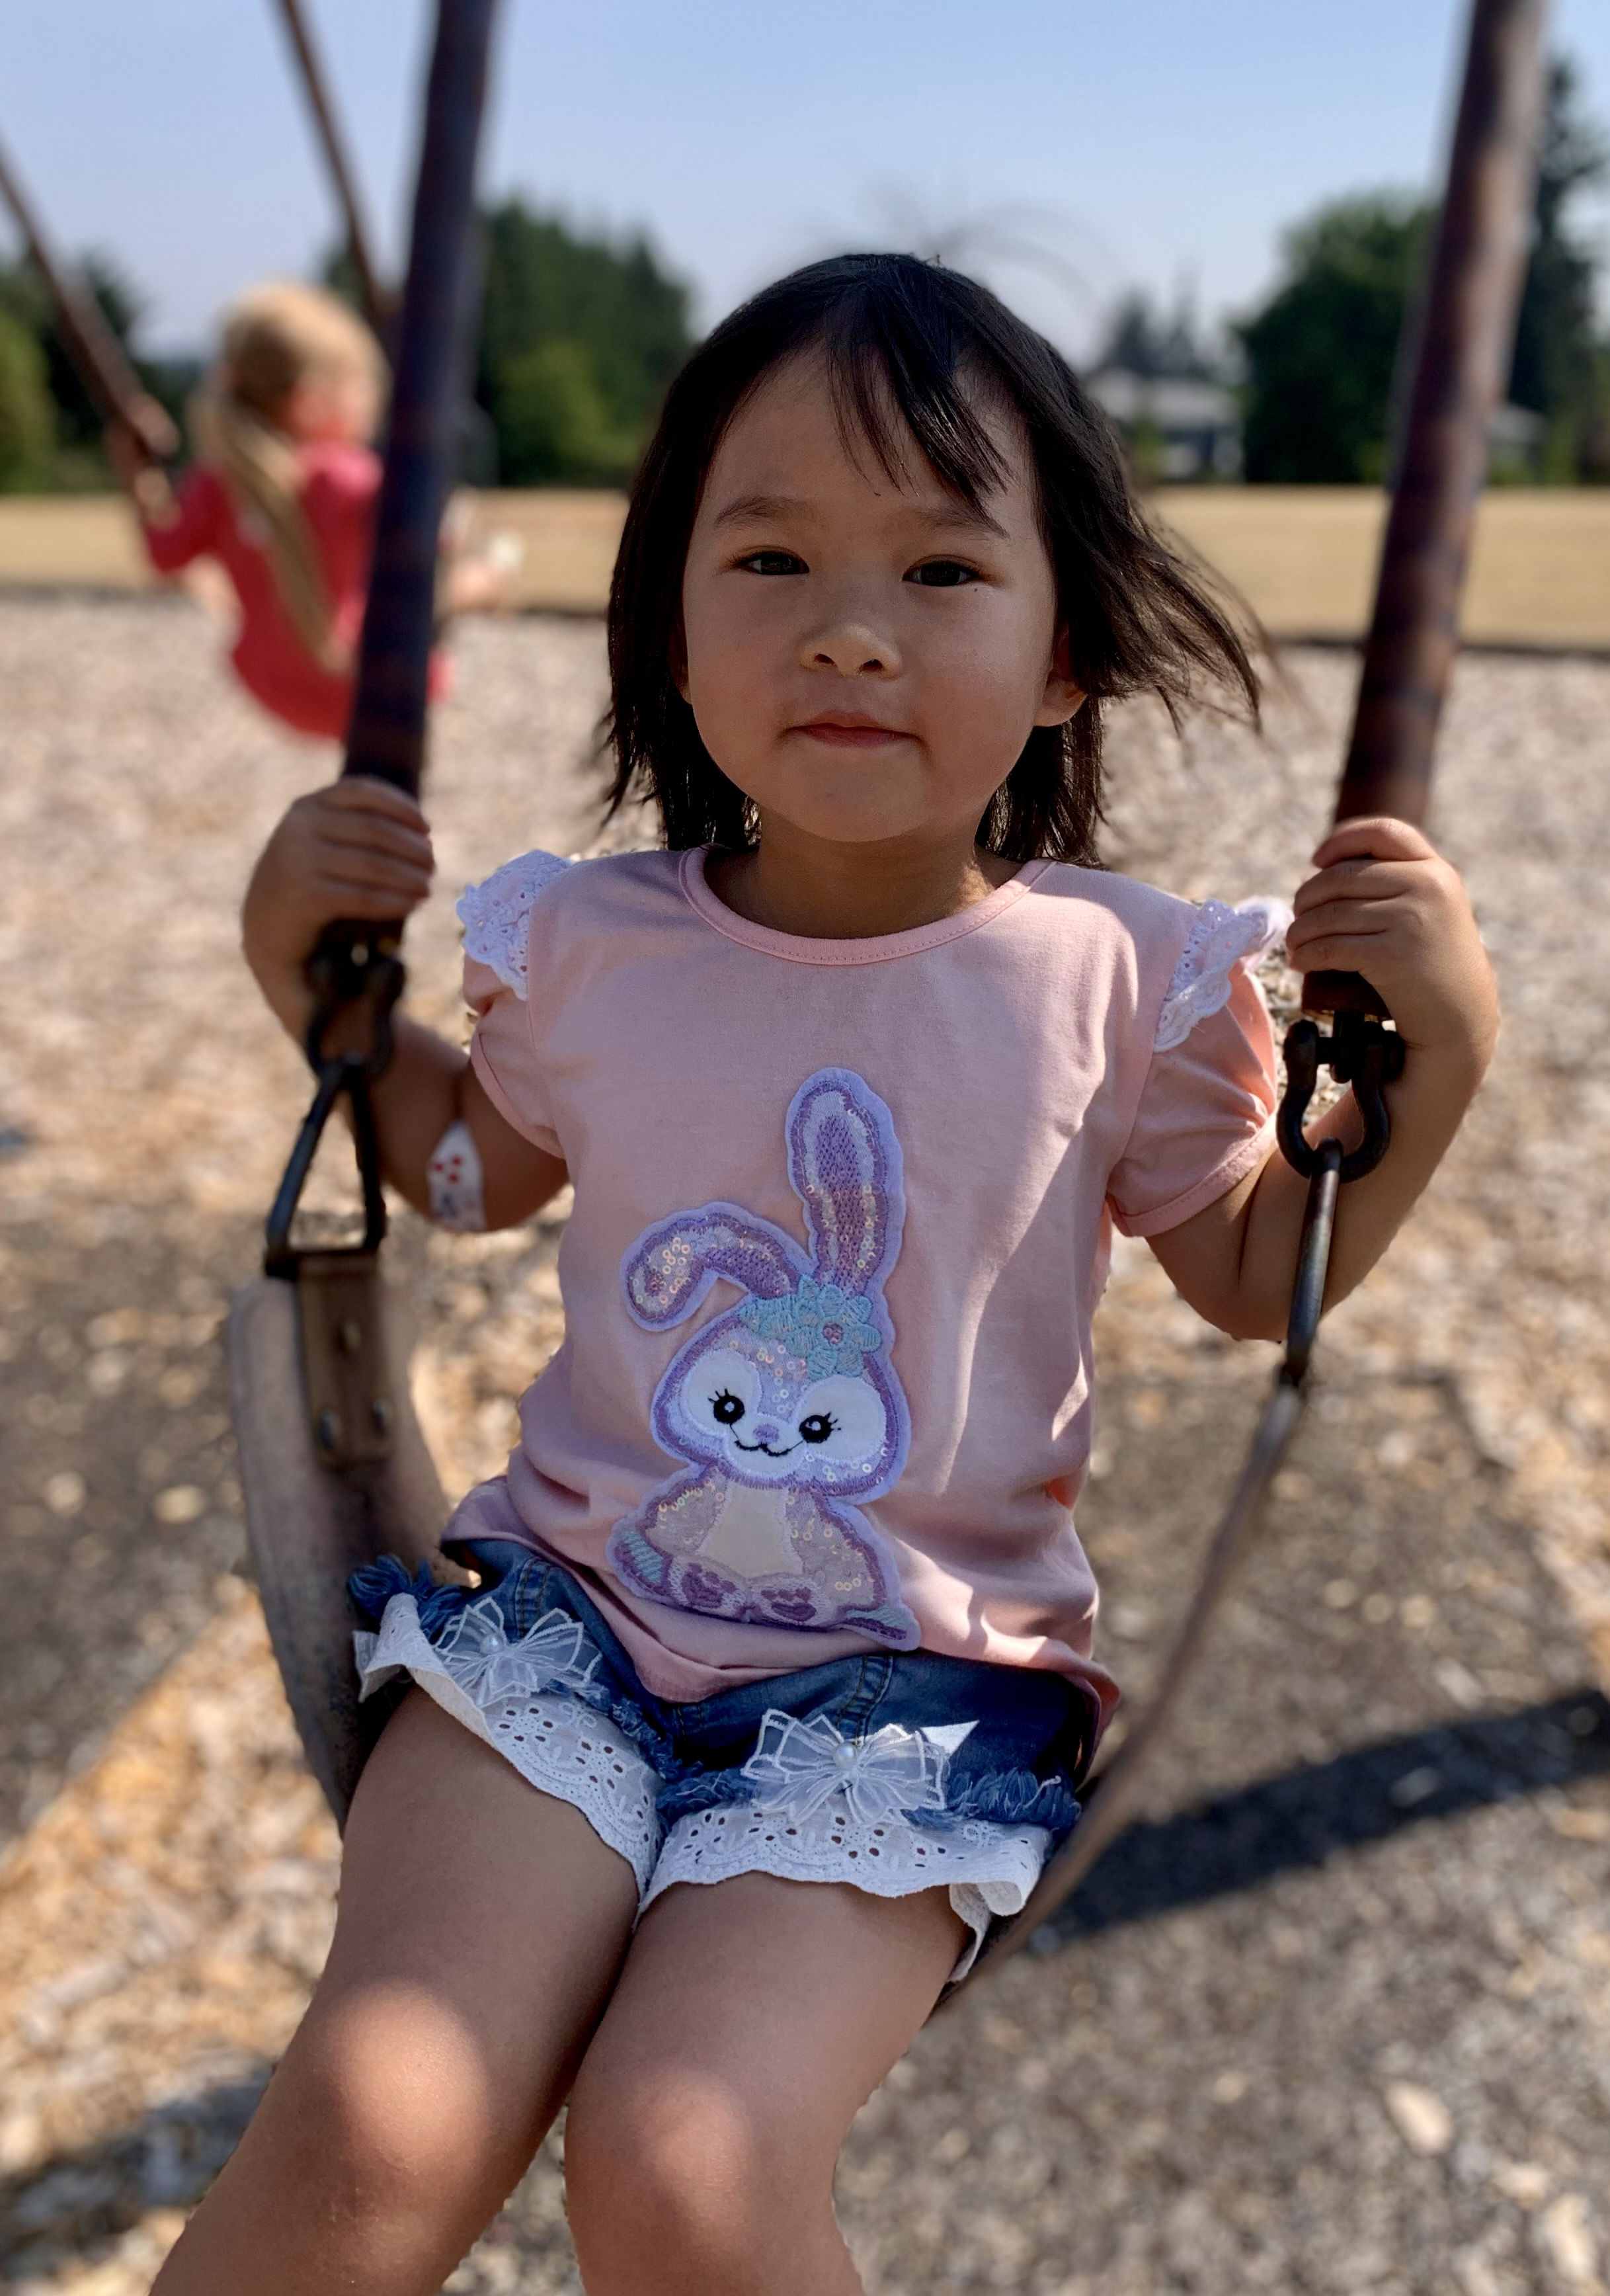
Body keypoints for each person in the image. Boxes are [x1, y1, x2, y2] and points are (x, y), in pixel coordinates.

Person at [155, 255, 1497, 2296]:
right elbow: (459, 1168)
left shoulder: (1117, 977)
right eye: (767, 555)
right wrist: (316, 996)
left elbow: (1251, 1273)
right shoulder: (595, 945)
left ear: (1064, 655)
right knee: (376, 2107)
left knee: (686, 2153)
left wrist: (1436, 1065)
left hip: (903, 1703)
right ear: (672, 638)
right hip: (562, 1635)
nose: (848, 628)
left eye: (943, 571)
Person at [108, 280, 508, 741]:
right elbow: (428, 544)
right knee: (482, 570)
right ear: (312, 399)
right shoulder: (343, 475)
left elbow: (163, 556)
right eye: (365, 386)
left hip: (271, 688)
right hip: (369, 687)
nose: (374, 401)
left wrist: (137, 477)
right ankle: (498, 577)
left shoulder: (213, 481)